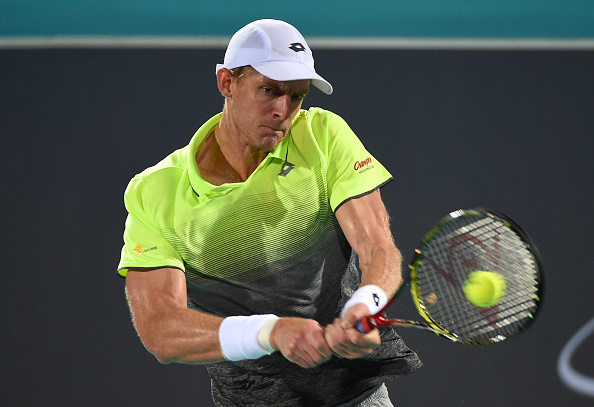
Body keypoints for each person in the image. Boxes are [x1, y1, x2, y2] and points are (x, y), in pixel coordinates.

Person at [118, 19, 421, 406]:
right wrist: (270, 332)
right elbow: (160, 330)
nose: (283, 110)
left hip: (355, 396)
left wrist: (366, 304)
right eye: (269, 91)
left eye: (296, 96)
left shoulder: (323, 135)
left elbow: (378, 247)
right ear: (227, 82)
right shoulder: (155, 191)